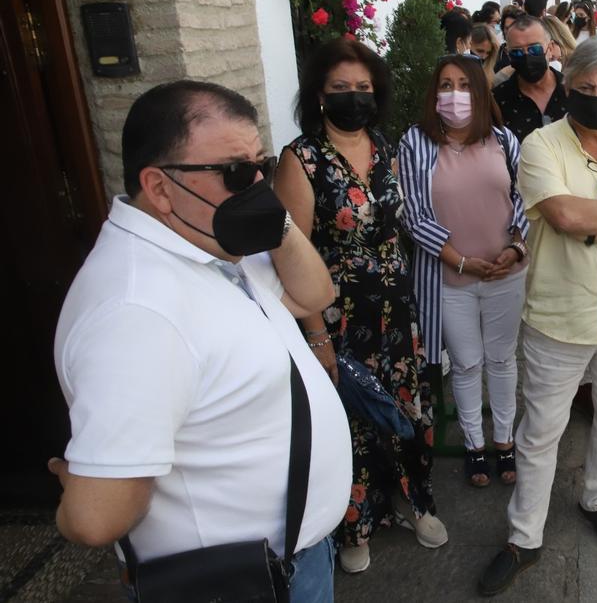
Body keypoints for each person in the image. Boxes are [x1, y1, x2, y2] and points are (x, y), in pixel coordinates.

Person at [52, 80, 350, 601]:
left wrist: (268, 215)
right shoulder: (136, 310)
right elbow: (95, 518)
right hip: (234, 584)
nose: (258, 184)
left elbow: (312, 294)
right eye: (237, 172)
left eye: (263, 166)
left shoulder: (206, 240)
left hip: (288, 564)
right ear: (161, 188)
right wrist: (81, 484)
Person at [476, 38, 597, 596]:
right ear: (568, 90)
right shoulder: (541, 146)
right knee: (541, 431)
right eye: (586, 89)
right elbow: (561, 214)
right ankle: (524, 537)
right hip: (560, 316)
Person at [274, 38, 446, 574]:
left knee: (401, 407)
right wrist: (316, 335)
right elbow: (290, 255)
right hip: (336, 313)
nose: (355, 98)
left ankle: (414, 500)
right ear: (320, 97)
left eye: (364, 89)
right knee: (347, 417)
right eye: (341, 89)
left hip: (395, 306)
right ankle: (355, 524)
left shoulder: (384, 145)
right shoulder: (300, 158)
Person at [398, 56, 529, 487]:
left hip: (504, 274)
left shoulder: (504, 140)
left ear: (480, 92)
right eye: (444, 85)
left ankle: (505, 440)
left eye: (463, 85)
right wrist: (457, 259)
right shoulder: (415, 143)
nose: (453, 95)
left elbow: (524, 200)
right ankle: (475, 445)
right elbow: (414, 213)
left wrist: (515, 247)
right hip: (448, 277)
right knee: (468, 363)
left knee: (502, 359)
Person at [493, 15, 569, 141]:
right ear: (508, 55)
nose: (527, 56)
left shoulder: (574, 92)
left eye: (535, 49)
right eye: (517, 52)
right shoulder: (497, 101)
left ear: (549, 49)